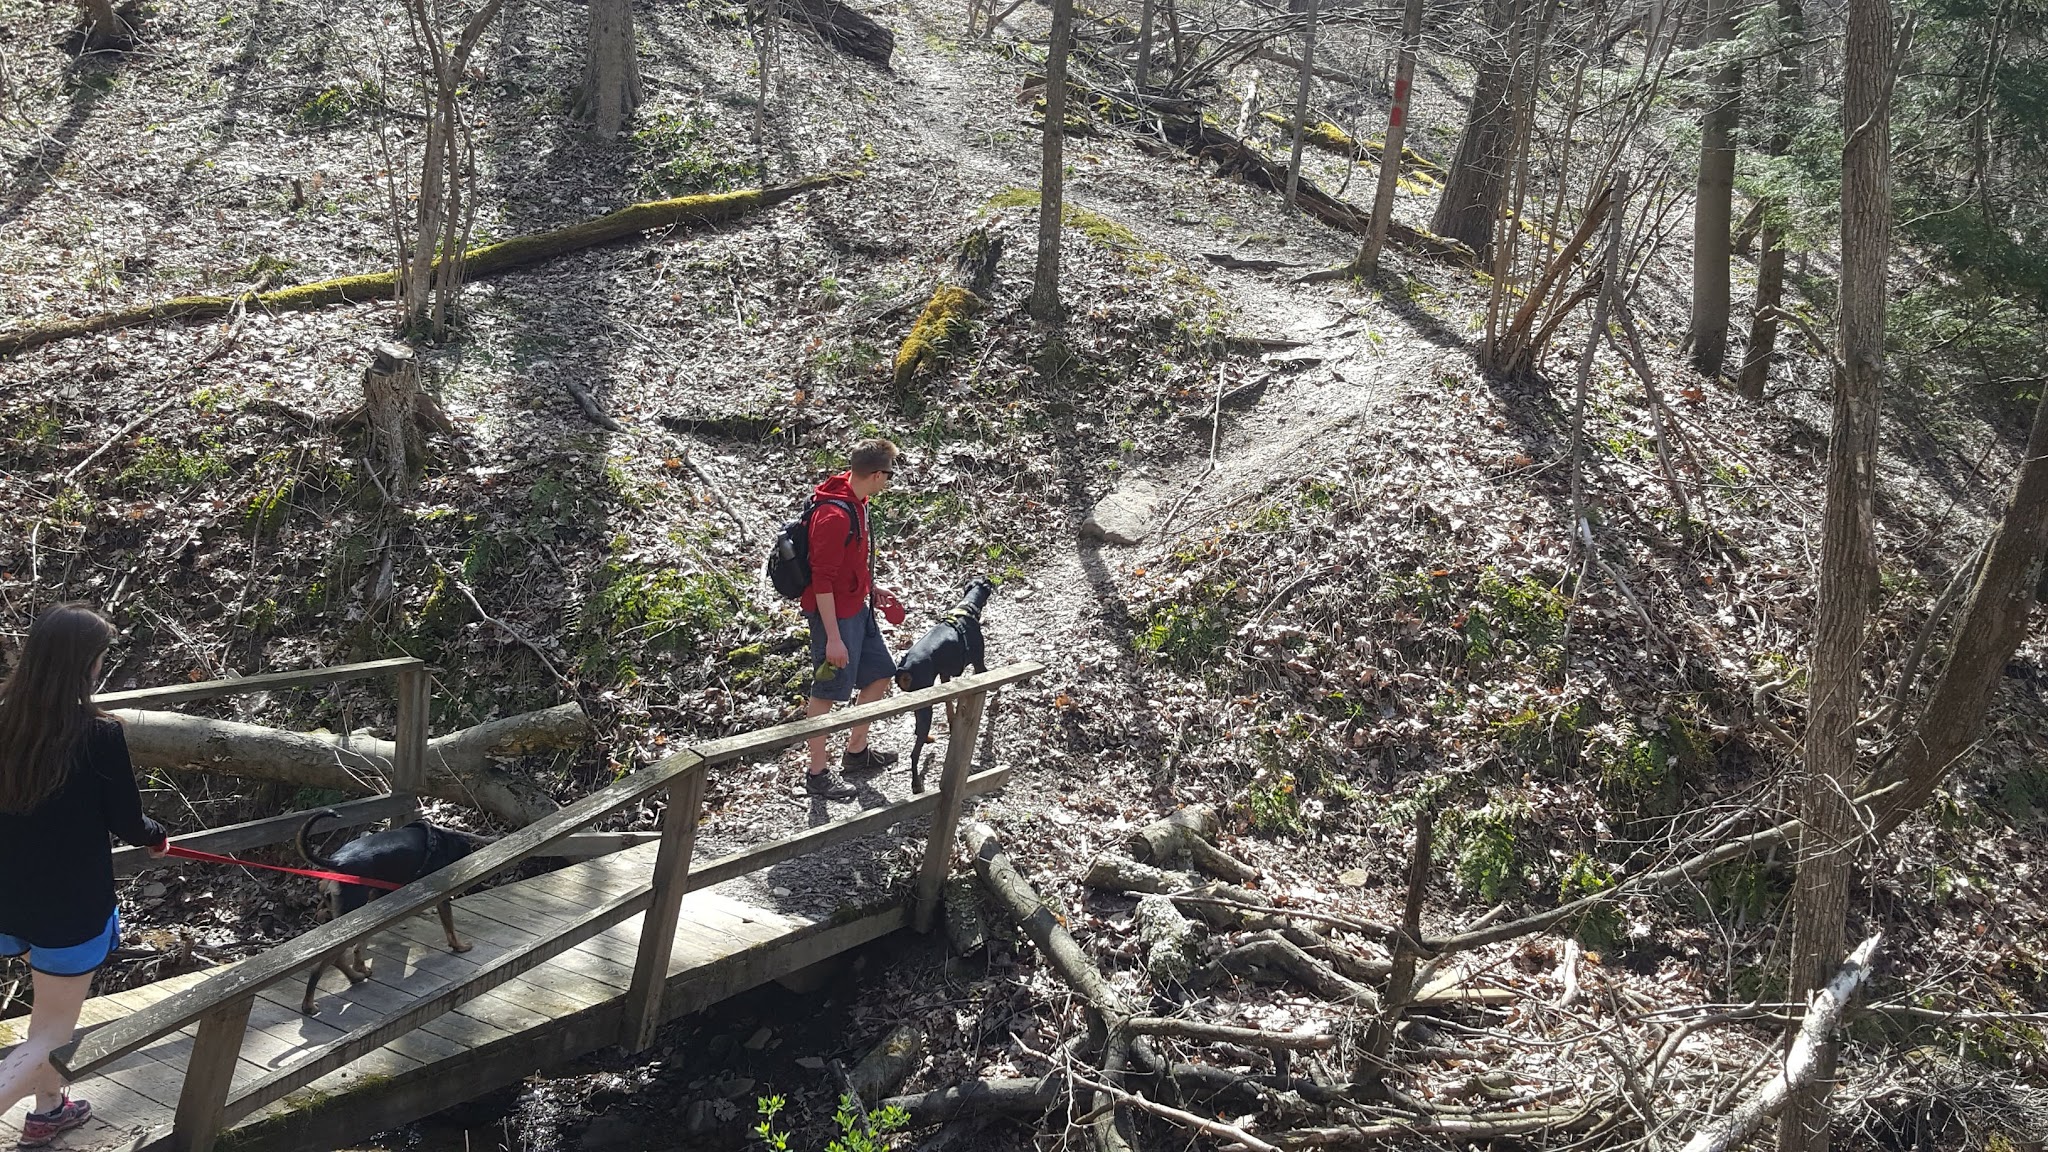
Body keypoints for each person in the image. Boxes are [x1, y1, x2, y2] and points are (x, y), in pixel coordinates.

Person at [0, 604, 167, 1148]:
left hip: (5, 896)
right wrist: (155, 836)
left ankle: (49, 1110)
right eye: (99, 658)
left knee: (42, 1020)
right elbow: (125, 821)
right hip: (69, 906)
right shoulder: (97, 735)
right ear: (84, 665)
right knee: (51, 1031)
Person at [799, 438, 905, 801]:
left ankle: (856, 752)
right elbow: (822, 579)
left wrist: (872, 588)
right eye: (889, 474)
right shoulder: (833, 514)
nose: (890, 481)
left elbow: (850, 562)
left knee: (879, 674)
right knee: (827, 692)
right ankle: (817, 773)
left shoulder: (858, 500)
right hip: (835, 618)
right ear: (876, 475)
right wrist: (833, 638)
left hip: (858, 608)